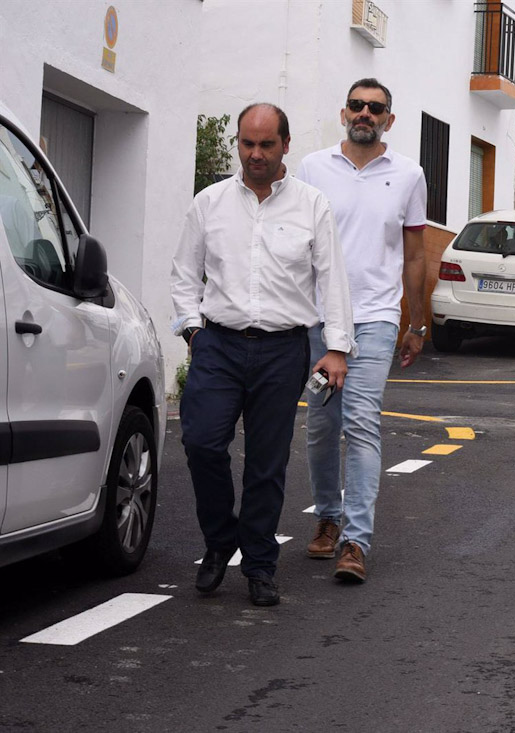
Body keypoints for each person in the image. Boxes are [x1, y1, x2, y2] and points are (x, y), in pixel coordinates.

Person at [171, 104, 355, 606]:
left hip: (282, 350)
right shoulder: (208, 203)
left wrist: (337, 347)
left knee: (267, 464)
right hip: (218, 345)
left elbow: (331, 279)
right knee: (202, 443)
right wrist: (193, 331)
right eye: (247, 144)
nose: (255, 154)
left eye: (266, 145)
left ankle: (258, 564)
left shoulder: (312, 205)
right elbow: (185, 276)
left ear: (285, 145)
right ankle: (218, 541)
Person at [296, 78, 428, 583]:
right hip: (317, 318)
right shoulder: (312, 169)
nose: (365, 114)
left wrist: (416, 321)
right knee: (322, 426)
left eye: (375, 108)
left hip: (375, 316)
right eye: (357, 105)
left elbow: (415, 253)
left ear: (389, 120)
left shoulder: (409, 175)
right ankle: (327, 517)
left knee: (363, 422)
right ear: (344, 112)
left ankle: (355, 541)